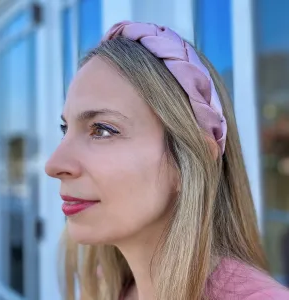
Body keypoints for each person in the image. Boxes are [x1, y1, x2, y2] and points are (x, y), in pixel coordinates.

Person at [45, 21, 289, 300]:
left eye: (102, 130)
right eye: (65, 130)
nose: (54, 165)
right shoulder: (106, 288)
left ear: (192, 160)